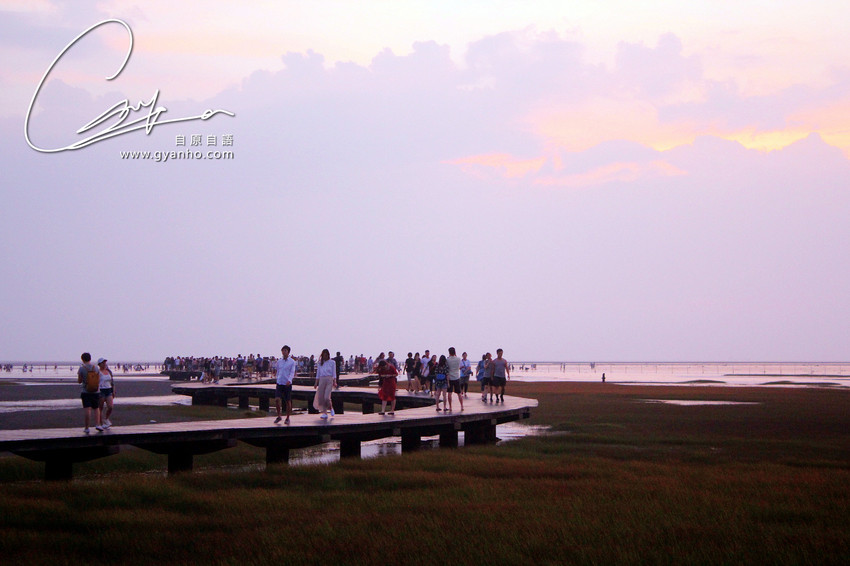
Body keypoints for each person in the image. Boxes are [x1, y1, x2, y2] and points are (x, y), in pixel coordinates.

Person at [77, 352, 102, 433]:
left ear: (83, 359)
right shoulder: (96, 368)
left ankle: (87, 427)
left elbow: (79, 381)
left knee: (87, 409)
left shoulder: (81, 368)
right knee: (96, 408)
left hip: (86, 391)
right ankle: (97, 424)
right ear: (90, 358)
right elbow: (99, 379)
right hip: (95, 391)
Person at [275, 345, 296, 424]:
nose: (284, 352)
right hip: (279, 382)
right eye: (283, 351)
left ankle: (287, 417)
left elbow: (292, 372)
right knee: (277, 399)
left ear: (288, 352)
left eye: (285, 351)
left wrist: (289, 380)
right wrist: (277, 379)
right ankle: (279, 416)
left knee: (287, 401)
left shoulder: (292, 362)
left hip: (287, 383)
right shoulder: (279, 361)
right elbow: (278, 371)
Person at [314, 349, 338, 419]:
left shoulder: (332, 362)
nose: (325, 356)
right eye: (323, 355)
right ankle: (324, 412)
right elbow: (318, 374)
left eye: (326, 355)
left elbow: (334, 373)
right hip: (321, 380)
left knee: (326, 397)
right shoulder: (320, 363)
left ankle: (331, 408)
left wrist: (334, 381)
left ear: (328, 355)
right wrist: (316, 383)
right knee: (321, 397)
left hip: (329, 380)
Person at [97, 357, 115, 429]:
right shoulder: (98, 372)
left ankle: (106, 419)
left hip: (108, 390)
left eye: (105, 362)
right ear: (99, 364)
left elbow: (112, 381)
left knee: (110, 407)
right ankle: (101, 424)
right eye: (103, 363)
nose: (104, 364)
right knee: (100, 408)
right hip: (101, 390)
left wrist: (113, 390)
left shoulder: (109, 371)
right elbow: (96, 382)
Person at [446, 347, 463, 411]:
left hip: (450, 377)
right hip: (457, 377)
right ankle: (461, 406)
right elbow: (459, 367)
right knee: (459, 393)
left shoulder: (448, 360)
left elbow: (447, 368)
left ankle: (450, 407)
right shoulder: (458, 359)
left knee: (449, 393)